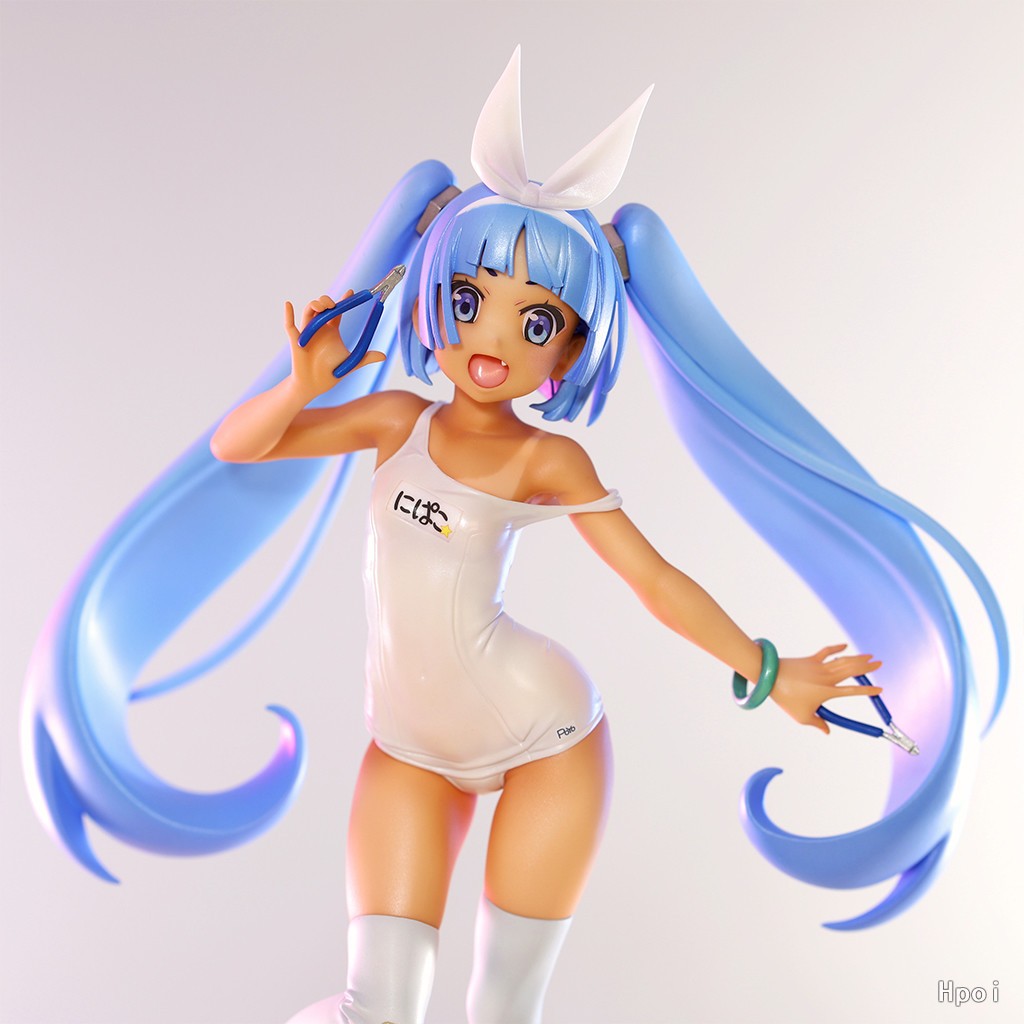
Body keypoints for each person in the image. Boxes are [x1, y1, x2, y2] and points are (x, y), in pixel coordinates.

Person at [21, 48, 1007, 1024]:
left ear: (573, 347)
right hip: (405, 749)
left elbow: (652, 579)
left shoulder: (548, 460)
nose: (491, 340)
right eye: (469, 300)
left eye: (536, 323)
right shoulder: (395, 420)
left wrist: (767, 669)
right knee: (374, 1010)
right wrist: (302, 384)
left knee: (503, 1012)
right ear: (432, 296)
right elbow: (238, 448)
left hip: (548, 743)